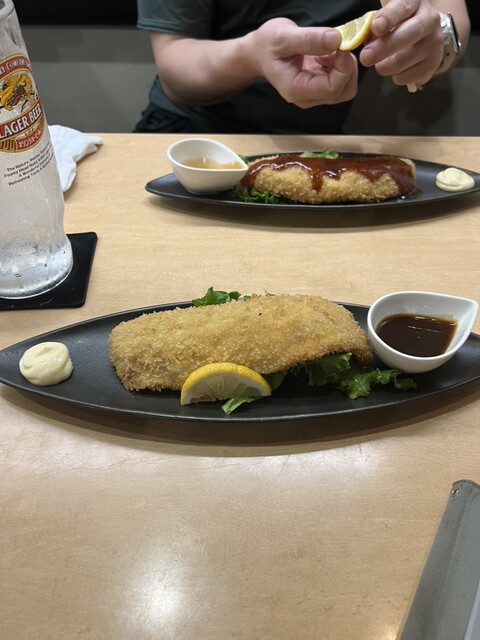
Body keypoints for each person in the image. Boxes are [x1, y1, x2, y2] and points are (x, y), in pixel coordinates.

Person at [134, 0, 470, 134]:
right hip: (194, 129)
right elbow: (175, 67)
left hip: (323, 145)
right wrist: (251, 56)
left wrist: (435, 39)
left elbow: (450, 20)